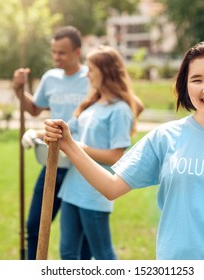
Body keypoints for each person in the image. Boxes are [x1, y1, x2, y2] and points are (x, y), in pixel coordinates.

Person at [44, 40, 204, 260]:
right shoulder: (165, 138)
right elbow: (111, 187)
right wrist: (69, 145)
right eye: (197, 79)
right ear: (186, 86)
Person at [12, 26, 91, 260]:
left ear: (77, 52)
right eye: (54, 52)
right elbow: (35, 109)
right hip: (53, 162)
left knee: (80, 235)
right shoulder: (50, 78)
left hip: (82, 166)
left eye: (62, 53)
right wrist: (18, 89)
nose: (56, 57)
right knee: (34, 224)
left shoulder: (90, 78)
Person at [57, 45, 138, 260]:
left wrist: (79, 148)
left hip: (94, 192)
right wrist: (38, 134)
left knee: (103, 256)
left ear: (106, 71)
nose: (86, 74)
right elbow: (68, 131)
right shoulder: (92, 105)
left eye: (91, 69)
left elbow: (117, 156)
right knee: (67, 253)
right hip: (72, 188)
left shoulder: (120, 110)